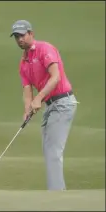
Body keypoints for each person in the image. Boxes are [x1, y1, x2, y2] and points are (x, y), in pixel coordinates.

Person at [10, 20, 79, 190]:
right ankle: (56, 192)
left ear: (31, 34)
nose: (20, 39)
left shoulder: (44, 49)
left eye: (22, 35)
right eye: (16, 36)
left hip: (63, 103)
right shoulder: (23, 63)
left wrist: (39, 98)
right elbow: (27, 89)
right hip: (50, 105)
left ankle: (57, 195)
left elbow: (55, 77)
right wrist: (27, 109)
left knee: (53, 152)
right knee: (49, 151)